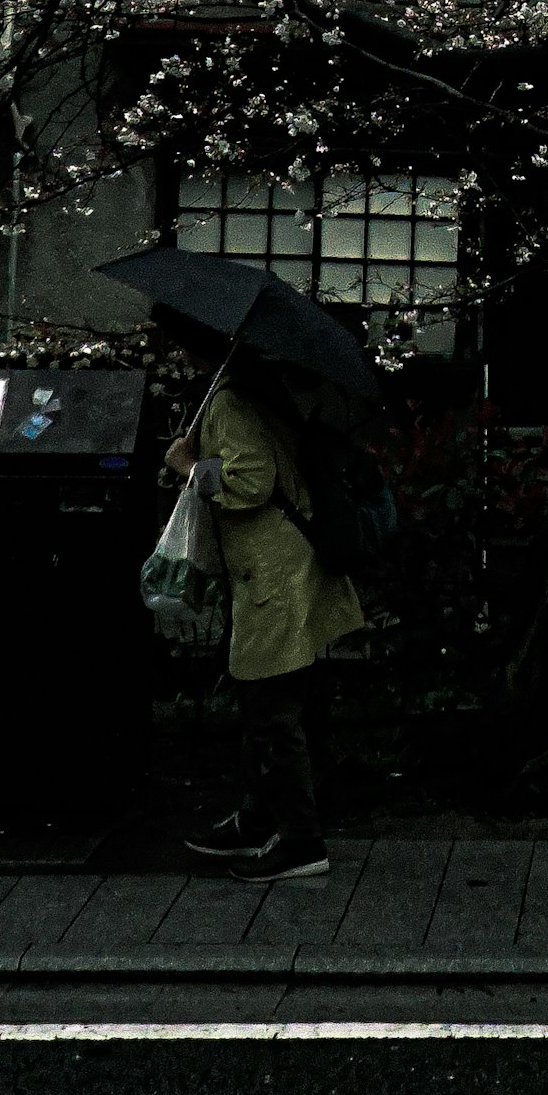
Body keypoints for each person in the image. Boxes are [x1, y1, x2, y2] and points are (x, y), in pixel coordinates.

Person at [168, 356, 366, 882]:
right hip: (279, 567)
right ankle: (257, 820)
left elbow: (251, 481)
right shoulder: (254, 391)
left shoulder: (231, 399)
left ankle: (303, 840)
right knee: (266, 703)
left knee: (272, 710)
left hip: (272, 574)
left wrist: (188, 467)